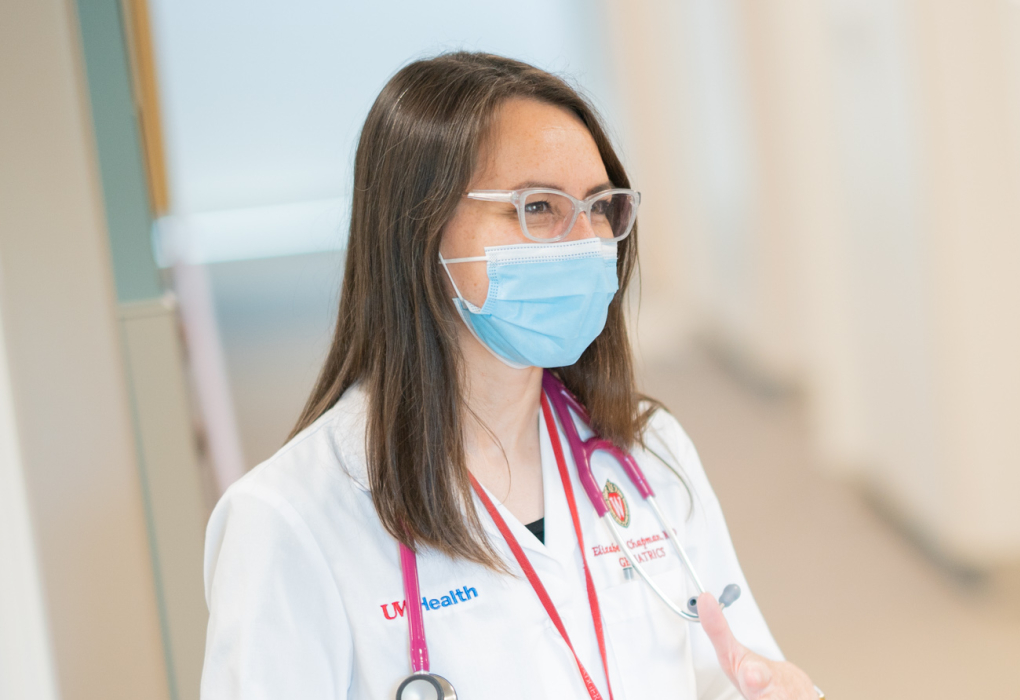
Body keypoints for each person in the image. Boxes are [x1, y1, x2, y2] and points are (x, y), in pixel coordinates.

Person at [201, 52, 817, 700]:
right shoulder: (291, 521)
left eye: (601, 206)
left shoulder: (648, 450)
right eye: (539, 208)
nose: (586, 241)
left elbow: (732, 668)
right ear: (419, 228)